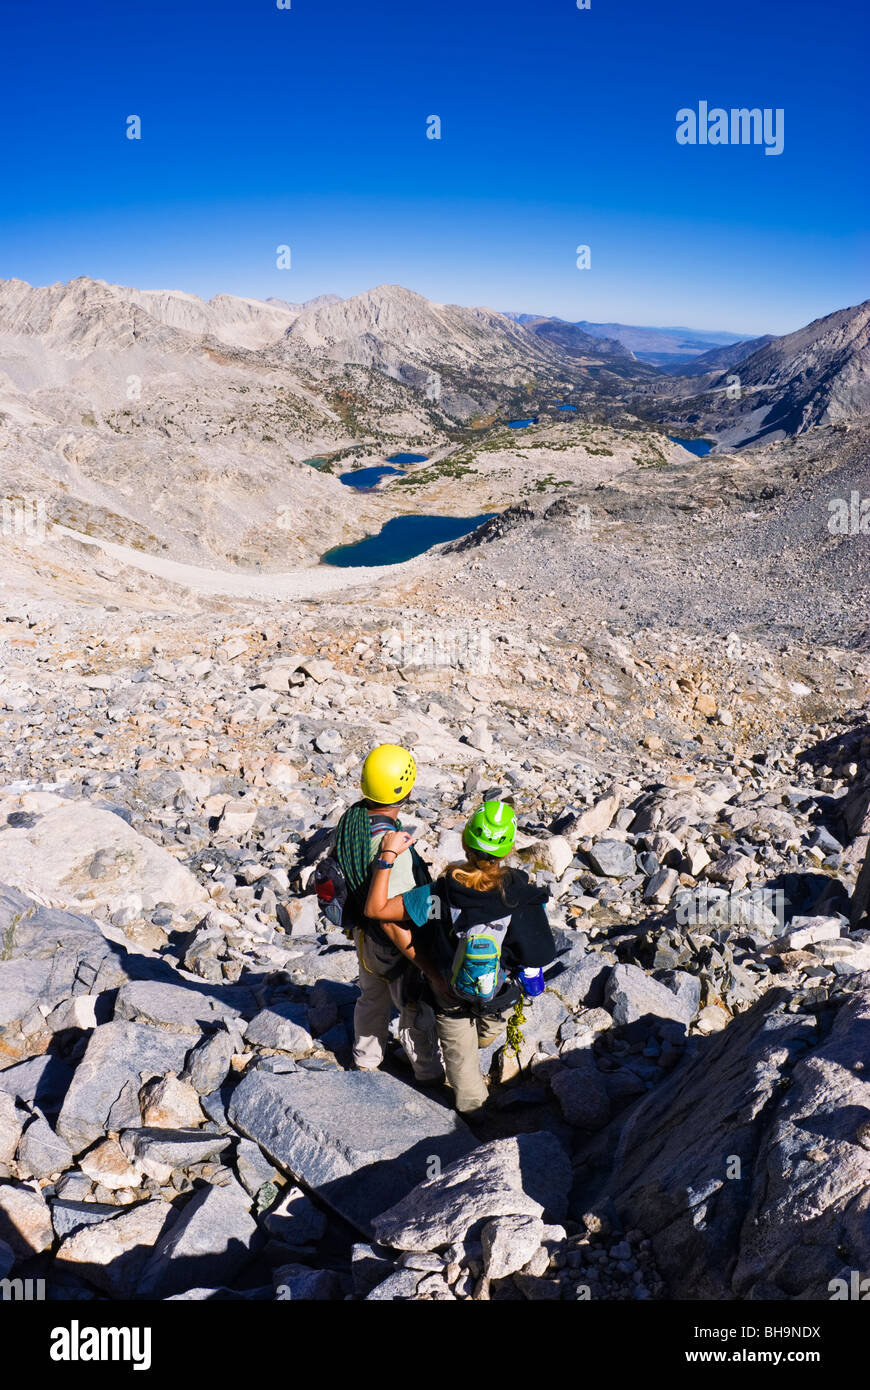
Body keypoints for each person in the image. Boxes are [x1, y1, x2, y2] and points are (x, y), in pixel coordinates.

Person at [365, 798, 556, 1116]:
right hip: (497, 994)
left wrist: (386, 858)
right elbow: (539, 953)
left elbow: (377, 912)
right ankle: (478, 1040)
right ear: (507, 850)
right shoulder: (522, 898)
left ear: (466, 843)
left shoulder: (440, 894)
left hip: (448, 992)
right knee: (484, 1036)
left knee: (463, 1068)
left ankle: (475, 1118)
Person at [333, 743, 445, 1083]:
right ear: (406, 789)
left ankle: (366, 1058)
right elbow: (390, 915)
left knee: (371, 996)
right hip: (392, 943)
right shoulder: (393, 849)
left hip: (363, 935)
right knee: (413, 1006)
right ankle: (427, 1072)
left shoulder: (352, 820)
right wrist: (426, 964)